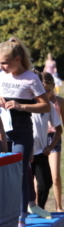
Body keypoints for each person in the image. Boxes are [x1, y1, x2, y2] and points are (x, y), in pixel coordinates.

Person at [0, 37, 51, 227]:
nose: (0, 67)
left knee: (20, 174)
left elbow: (45, 106)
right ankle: (2, 214)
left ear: (17, 59)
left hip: (22, 132)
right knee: (2, 174)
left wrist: (21, 106)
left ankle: (21, 218)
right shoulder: (2, 76)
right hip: (2, 131)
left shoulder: (31, 78)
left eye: (4, 63)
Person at [28, 71, 63, 218]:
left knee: (50, 179)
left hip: (46, 145)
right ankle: (31, 209)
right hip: (29, 148)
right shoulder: (28, 102)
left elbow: (59, 128)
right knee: (31, 182)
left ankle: (52, 207)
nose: (44, 93)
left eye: (47, 90)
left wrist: (50, 146)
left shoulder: (52, 104)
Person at [46, 71, 64, 212]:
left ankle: (59, 207)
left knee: (55, 176)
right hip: (38, 138)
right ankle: (35, 206)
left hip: (54, 137)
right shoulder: (35, 101)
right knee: (37, 176)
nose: (46, 94)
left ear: (53, 87)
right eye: (43, 91)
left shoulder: (60, 101)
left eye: (49, 90)